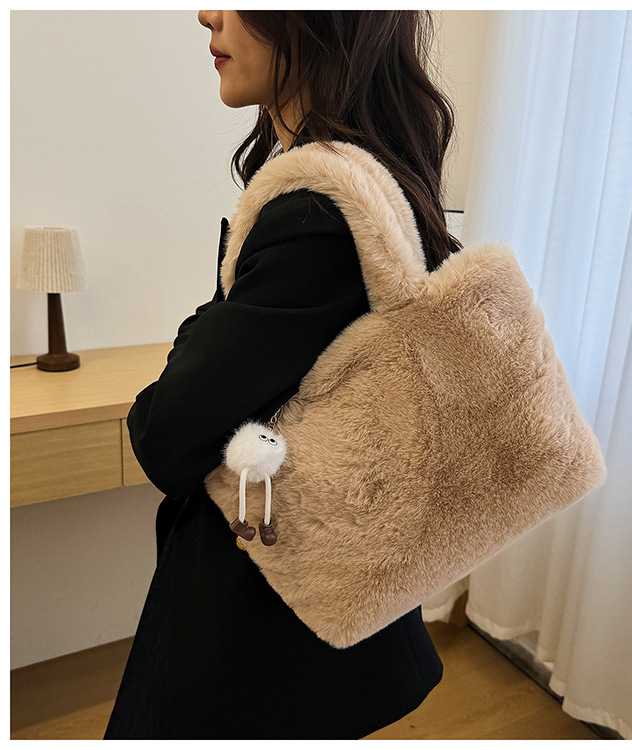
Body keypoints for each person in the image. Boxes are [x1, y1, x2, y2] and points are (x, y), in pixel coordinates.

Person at [104, 10, 461, 740]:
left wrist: (207, 316)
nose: (207, 13)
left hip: (263, 622)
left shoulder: (316, 214)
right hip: (322, 604)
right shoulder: (373, 183)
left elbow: (163, 436)